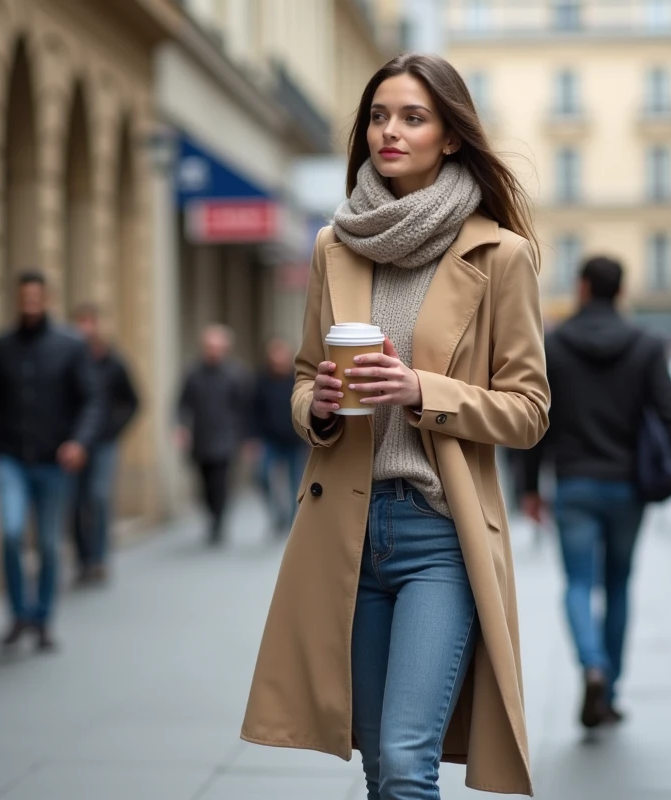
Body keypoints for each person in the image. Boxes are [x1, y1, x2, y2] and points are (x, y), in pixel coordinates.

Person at [242, 53, 549, 798]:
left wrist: (422, 390)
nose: (390, 130)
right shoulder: (333, 246)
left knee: (409, 763)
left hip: (440, 535)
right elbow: (309, 373)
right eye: (379, 115)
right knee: (380, 765)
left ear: (450, 135)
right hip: (348, 534)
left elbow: (530, 410)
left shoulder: (499, 255)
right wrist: (313, 408)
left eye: (412, 116)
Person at [521, 255, 671, 729]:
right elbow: (670, 415)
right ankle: (609, 690)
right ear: (622, 290)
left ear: (584, 287)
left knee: (575, 583)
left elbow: (536, 419)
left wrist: (530, 486)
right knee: (618, 586)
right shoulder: (647, 344)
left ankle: (591, 664)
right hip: (628, 485)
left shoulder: (555, 344)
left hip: (573, 482)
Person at [0, 271, 104, 651]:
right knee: (11, 532)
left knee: (50, 544)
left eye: (36, 298)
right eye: (24, 299)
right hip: (10, 460)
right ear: (17, 301)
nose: (30, 305)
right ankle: (19, 613)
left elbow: (91, 401)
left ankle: (43, 619)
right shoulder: (1, 347)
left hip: (55, 461)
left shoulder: (69, 345)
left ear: (46, 299)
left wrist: (78, 443)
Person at [70, 303, 139, 586]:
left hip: (103, 444)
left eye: (90, 322)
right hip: (72, 443)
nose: (86, 328)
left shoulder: (113, 361)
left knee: (97, 498)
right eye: (80, 322)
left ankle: (98, 558)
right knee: (75, 503)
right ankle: (83, 559)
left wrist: (113, 430)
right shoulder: (68, 359)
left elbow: (133, 402)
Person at [176, 325, 251, 546]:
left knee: (221, 481)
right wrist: (181, 427)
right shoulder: (193, 372)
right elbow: (182, 403)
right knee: (204, 482)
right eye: (210, 347)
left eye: (218, 347)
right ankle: (211, 514)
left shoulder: (236, 373)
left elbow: (245, 408)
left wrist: (247, 437)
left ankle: (218, 520)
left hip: (228, 436)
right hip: (201, 436)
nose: (214, 351)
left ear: (226, 349)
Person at [251, 337, 307, 535]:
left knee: (295, 484)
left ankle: (292, 520)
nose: (278, 359)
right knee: (262, 476)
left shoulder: (297, 380)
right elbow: (254, 410)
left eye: (281, 354)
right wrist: (253, 439)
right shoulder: (261, 380)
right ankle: (278, 513)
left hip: (294, 440)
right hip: (269, 440)